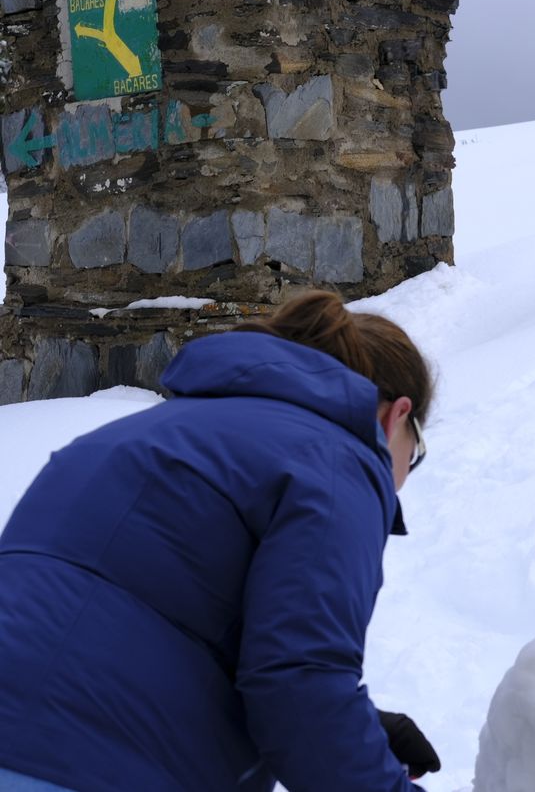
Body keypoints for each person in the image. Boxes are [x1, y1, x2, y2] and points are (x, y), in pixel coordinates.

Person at [0, 291, 443, 791]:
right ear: (396, 416)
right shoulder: (337, 461)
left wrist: (359, 727)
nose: (403, 475)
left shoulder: (140, 432)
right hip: (93, 764)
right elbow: (299, 684)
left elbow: (116, 621)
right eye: (416, 453)